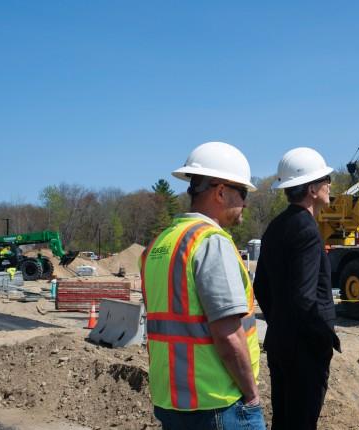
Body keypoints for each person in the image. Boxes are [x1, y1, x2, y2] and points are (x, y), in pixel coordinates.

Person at [141, 141, 265, 430]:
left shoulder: (159, 244)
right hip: (218, 404)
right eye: (242, 193)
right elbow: (228, 334)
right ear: (220, 192)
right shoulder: (210, 241)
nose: (245, 203)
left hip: (171, 401)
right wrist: (252, 395)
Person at [254, 147, 341, 430]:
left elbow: (261, 287)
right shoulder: (306, 229)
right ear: (312, 189)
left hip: (281, 343)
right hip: (304, 350)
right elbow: (304, 299)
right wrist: (323, 337)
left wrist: (279, 322)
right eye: (325, 179)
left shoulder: (276, 226)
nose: (330, 185)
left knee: (284, 421)